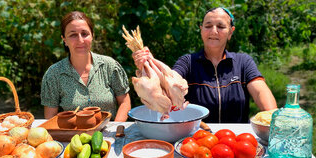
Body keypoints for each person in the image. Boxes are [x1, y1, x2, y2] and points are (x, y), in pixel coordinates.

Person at [133, 7, 277, 123]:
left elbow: (260, 91)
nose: (214, 31)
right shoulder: (188, 61)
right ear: (201, 29)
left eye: (221, 26)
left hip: (235, 138)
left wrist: (273, 119)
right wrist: (148, 64)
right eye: (208, 26)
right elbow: (170, 80)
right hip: (197, 137)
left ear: (230, 32)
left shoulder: (243, 62)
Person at [41, 11, 131, 121]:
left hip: (109, 135)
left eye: (84, 34)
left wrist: (116, 130)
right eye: (73, 35)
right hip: (73, 136)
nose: (80, 40)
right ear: (64, 39)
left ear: (92, 35)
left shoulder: (110, 66)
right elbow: (50, 117)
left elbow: (125, 102)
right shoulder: (54, 74)